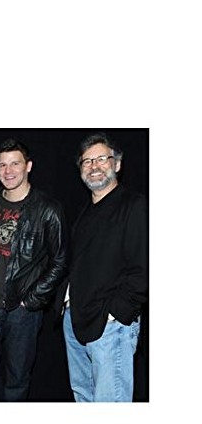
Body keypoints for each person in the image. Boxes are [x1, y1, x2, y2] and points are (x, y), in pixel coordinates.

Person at [59, 132, 148, 402]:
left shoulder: (135, 206)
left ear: (117, 164)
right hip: (76, 319)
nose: (94, 166)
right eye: (87, 161)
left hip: (109, 326)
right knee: (84, 397)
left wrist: (116, 314)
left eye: (101, 159)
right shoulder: (86, 212)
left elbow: (145, 268)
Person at [0, 139, 69, 401]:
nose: (8, 171)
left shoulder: (48, 209)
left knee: (17, 377)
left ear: (28, 166)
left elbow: (60, 261)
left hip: (22, 311)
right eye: (2, 165)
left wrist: (31, 300)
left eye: (15, 164)